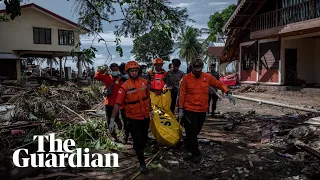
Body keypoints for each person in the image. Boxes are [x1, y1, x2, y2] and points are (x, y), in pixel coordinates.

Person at [178, 57, 236, 163]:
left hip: (202, 110)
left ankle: (188, 144)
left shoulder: (207, 77)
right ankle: (195, 154)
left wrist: (228, 92)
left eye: (199, 69)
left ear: (202, 68)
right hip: (189, 110)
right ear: (192, 68)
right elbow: (182, 94)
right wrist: (180, 109)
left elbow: (219, 84)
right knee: (191, 131)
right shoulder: (186, 79)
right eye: (195, 69)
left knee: (196, 131)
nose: (197, 71)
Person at [109, 61, 153, 174]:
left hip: (145, 117)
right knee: (138, 140)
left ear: (138, 71)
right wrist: (112, 120)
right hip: (133, 118)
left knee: (143, 138)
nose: (134, 73)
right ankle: (142, 163)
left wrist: (151, 110)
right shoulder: (124, 87)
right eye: (132, 71)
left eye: (136, 70)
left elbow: (148, 98)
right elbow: (117, 104)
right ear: (128, 72)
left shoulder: (144, 82)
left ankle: (139, 149)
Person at [94, 63, 123, 140]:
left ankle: (120, 127)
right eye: (113, 70)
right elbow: (97, 76)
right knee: (108, 120)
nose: (115, 71)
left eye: (116, 70)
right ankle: (114, 136)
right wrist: (102, 69)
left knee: (116, 118)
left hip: (117, 103)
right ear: (110, 70)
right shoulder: (107, 77)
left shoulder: (121, 79)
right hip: (108, 102)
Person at [118, 62, 130, 144]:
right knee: (126, 122)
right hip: (124, 106)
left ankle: (128, 136)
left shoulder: (131, 79)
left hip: (131, 105)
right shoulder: (121, 81)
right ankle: (126, 137)